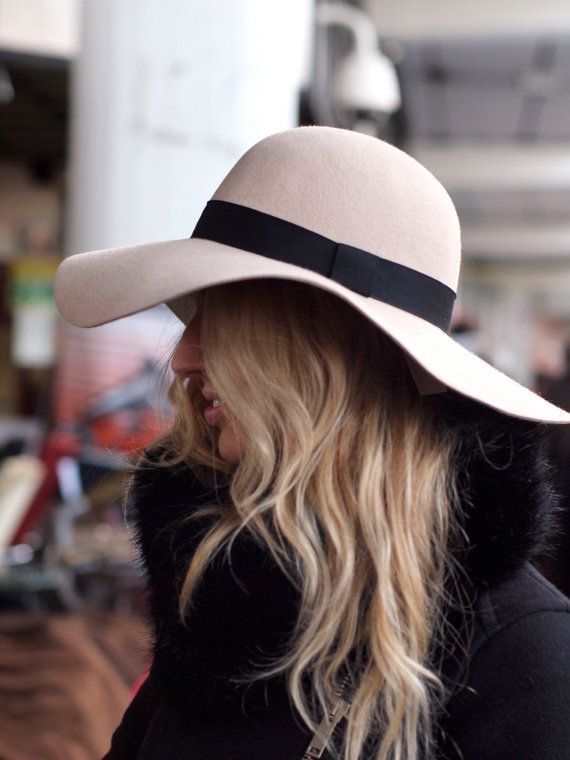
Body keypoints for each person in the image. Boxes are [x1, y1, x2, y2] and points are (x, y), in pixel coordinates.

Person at [54, 127, 570, 760]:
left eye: (223, 321)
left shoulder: (522, 655)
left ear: (323, 356)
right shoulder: (221, 599)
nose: (184, 356)